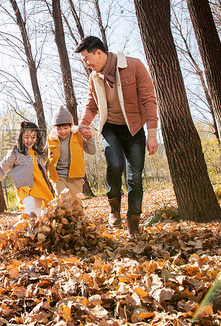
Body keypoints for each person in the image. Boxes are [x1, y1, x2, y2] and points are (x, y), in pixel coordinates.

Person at [75, 36, 158, 238]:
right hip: (110, 127)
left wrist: (153, 134)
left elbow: (148, 99)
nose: (86, 64)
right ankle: (114, 207)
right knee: (115, 164)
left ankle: (134, 221)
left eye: (87, 59)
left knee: (135, 177)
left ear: (99, 53)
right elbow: (91, 106)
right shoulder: (94, 78)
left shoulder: (134, 65)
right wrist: (83, 124)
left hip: (134, 129)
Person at [0, 121, 54, 217]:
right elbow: (3, 165)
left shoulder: (37, 153)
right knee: (30, 204)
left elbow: (47, 154)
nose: (30, 140)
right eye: (26, 137)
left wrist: (52, 139)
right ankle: (23, 226)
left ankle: (34, 230)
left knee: (39, 212)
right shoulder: (15, 153)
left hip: (39, 187)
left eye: (33, 137)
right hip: (25, 187)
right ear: (21, 137)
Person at [47, 105, 96, 206]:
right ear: (54, 127)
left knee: (76, 205)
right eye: (59, 129)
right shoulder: (51, 140)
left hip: (75, 177)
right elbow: (42, 156)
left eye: (66, 128)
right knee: (63, 203)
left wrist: (90, 138)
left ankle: (78, 221)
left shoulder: (78, 136)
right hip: (58, 177)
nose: (63, 131)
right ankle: (62, 222)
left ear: (71, 125)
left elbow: (92, 151)